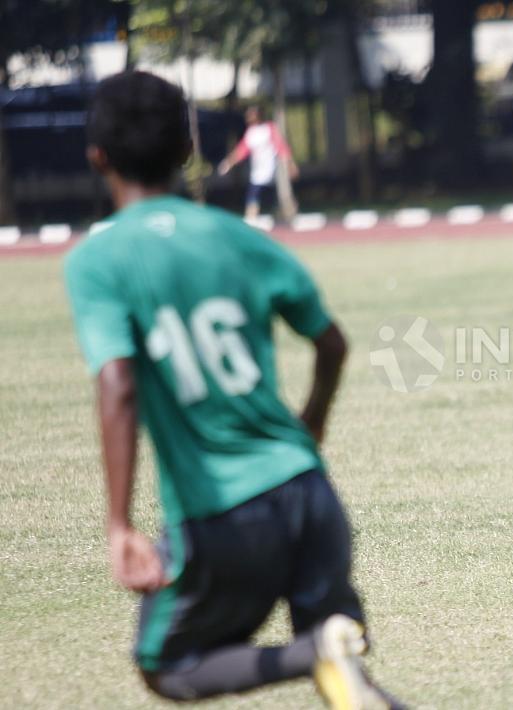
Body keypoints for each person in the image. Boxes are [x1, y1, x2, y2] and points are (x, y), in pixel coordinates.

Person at [64, 71, 401, 708]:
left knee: (168, 665)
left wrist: (118, 524)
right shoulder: (241, 238)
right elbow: (330, 343)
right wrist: (313, 422)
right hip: (308, 494)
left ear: (98, 157)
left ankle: (309, 652)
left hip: (223, 514)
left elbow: (118, 383)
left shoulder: (98, 259)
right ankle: (322, 647)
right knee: (350, 687)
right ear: (186, 151)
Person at [217, 106, 298, 220]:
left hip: (272, 173)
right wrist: (228, 163)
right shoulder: (251, 133)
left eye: (251, 115)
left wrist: (290, 164)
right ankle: (252, 218)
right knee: (254, 197)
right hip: (258, 173)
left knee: (276, 198)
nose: (248, 117)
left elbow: (281, 148)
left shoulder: (269, 128)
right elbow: (241, 151)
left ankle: (289, 214)